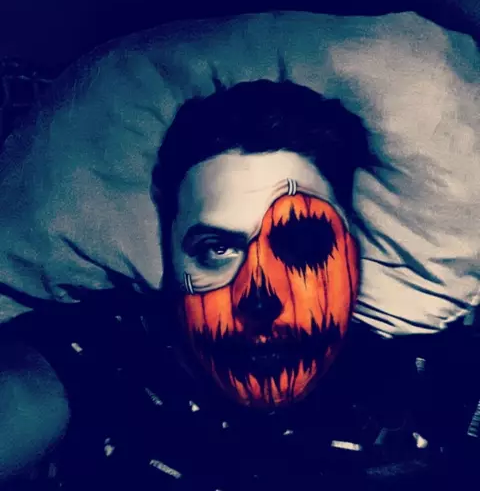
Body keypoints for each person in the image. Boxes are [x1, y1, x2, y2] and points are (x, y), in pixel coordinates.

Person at [0, 80, 478, 490]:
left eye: (302, 245)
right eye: (216, 248)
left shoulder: (427, 372)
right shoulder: (104, 354)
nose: (259, 298)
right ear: (169, 250)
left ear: (352, 248)